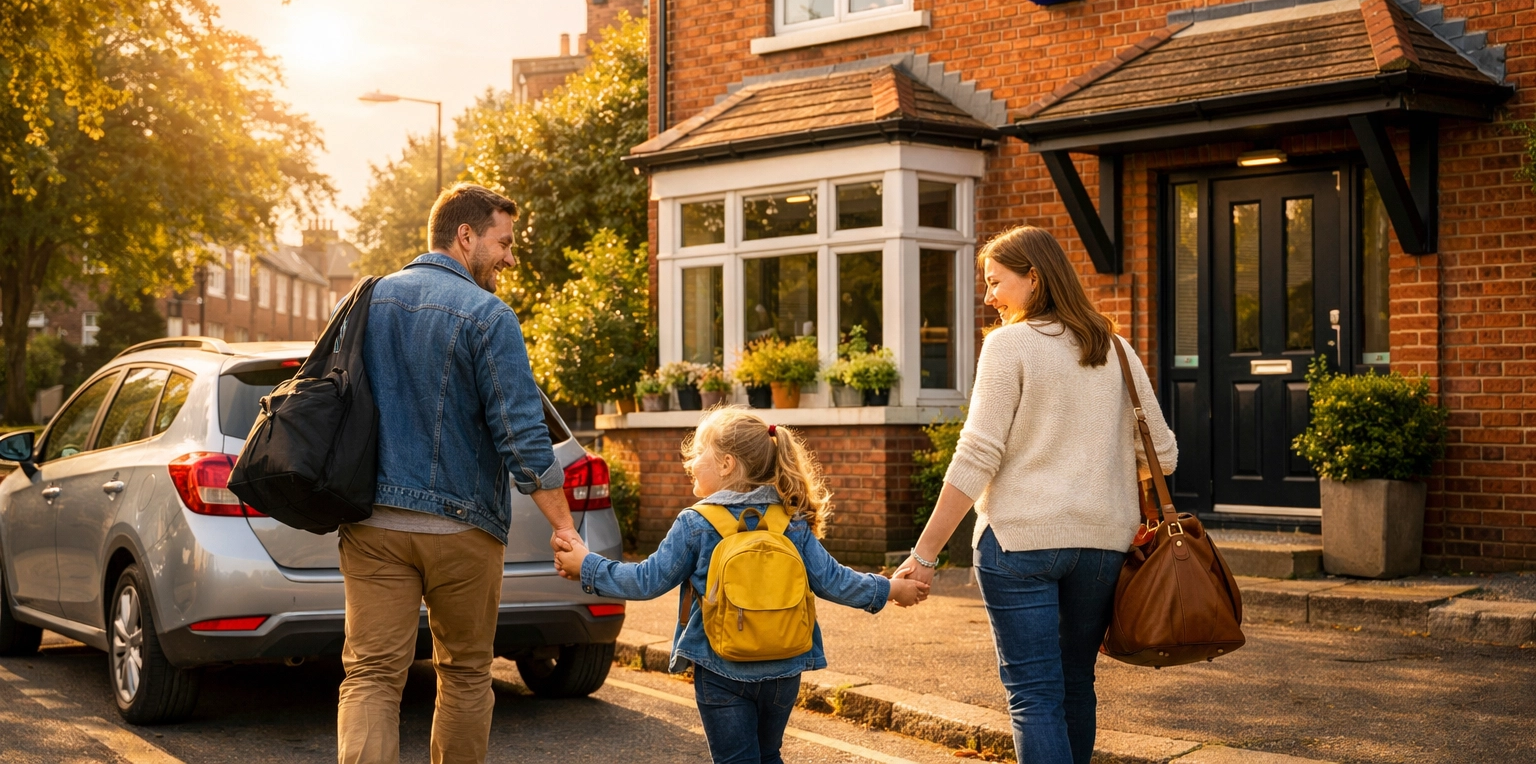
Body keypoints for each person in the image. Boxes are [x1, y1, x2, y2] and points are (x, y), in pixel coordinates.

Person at [894, 225, 1177, 764]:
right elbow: (1162, 455)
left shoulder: (1009, 345)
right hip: (1101, 546)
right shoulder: (1115, 348)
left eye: (996, 282)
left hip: (1018, 543)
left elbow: (977, 456)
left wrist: (923, 555)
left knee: (1034, 696)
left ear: (1034, 278)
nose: (988, 297)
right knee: (1075, 683)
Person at [336, 183, 578, 764]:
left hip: (373, 525)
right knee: (466, 672)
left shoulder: (365, 302)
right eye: (504, 242)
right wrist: (565, 528)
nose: (511, 258)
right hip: (462, 529)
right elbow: (522, 436)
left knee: (370, 675)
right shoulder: (489, 316)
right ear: (465, 236)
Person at [553, 407, 929, 764]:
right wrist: (891, 588)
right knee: (769, 757)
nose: (690, 462)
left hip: (721, 669)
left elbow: (645, 582)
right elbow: (834, 581)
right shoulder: (790, 521)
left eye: (699, 452)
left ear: (727, 464)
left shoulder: (695, 524)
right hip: (785, 668)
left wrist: (587, 566)